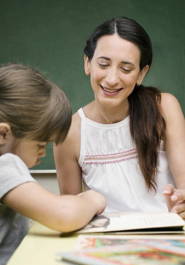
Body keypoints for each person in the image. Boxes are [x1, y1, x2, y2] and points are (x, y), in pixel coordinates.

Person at [54, 16, 185, 219]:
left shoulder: (164, 107)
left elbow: (184, 184)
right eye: (104, 64)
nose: (112, 79)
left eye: (126, 68)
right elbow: (71, 212)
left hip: (168, 237)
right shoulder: (69, 133)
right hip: (105, 244)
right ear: (87, 63)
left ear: (141, 73)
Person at [0, 63, 106, 265]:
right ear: (3, 134)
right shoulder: (5, 165)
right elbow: (64, 215)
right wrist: (93, 199)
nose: (43, 153)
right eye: (40, 145)